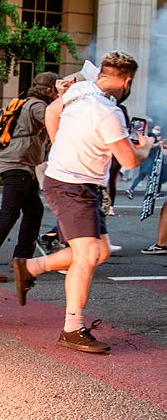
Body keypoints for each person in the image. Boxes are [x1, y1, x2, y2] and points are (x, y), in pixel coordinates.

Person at [13, 51, 154, 353]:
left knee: (98, 251)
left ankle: (30, 267)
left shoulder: (80, 89)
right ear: (127, 81)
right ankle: (72, 328)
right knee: (88, 254)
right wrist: (146, 149)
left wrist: (61, 142)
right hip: (72, 184)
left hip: (77, 182)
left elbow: (52, 112)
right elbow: (129, 161)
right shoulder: (110, 113)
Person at [0, 73, 58, 282]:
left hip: (21, 165)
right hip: (17, 164)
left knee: (33, 210)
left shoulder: (26, 102)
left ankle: (22, 260)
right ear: (49, 90)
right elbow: (58, 124)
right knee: (9, 213)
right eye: (56, 89)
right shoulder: (38, 106)